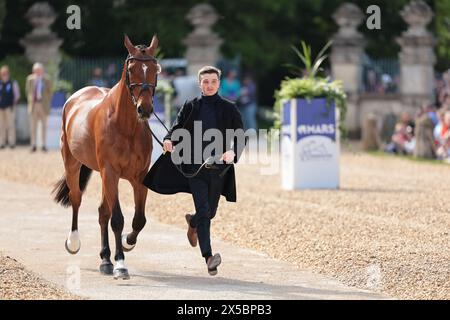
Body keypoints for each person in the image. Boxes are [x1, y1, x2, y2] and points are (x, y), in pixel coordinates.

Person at [143, 66, 245, 276]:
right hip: (193, 166)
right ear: (200, 84)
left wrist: (233, 152)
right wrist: (168, 139)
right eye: (205, 82)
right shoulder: (190, 106)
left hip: (219, 168)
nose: (209, 85)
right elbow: (176, 128)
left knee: (211, 212)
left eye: (213, 82)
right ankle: (208, 257)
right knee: (205, 211)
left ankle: (193, 222)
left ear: (219, 83)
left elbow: (241, 136)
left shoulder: (230, 108)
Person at [26, 62, 53, 152]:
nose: (37, 71)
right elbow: (28, 91)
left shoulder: (47, 79)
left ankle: (43, 145)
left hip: (43, 105)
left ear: (42, 70)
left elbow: (50, 92)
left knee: (44, 126)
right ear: (33, 70)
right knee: (33, 126)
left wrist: (46, 101)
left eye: (39, 70)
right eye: (36, 70)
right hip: (33, 105)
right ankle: (33, 145)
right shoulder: (30, 79)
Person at [0, 65, 20, 149]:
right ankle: (2, 143)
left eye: (6, 74)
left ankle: (12, 143)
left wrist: (13, 103)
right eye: (3, 74)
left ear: (8, 74)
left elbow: (17, 95)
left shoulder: (13, 83)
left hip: (9, 108)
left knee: (11, 125)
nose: (5, 75)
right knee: (1, 126)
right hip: (1, 108)